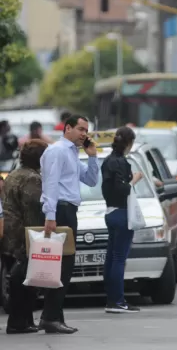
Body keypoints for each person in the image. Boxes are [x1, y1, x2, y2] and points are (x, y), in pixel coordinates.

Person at [39, 115, 99, 334]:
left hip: (69, 210)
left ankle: (54, 316)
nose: (84, 134)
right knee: (61, 266)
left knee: (64, 266)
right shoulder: (57, 151)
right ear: (68, 128)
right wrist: (50, 215)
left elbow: (91, 181)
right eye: (81, 129)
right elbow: (51, 184)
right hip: (60, 210)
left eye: (86, 130)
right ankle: (50, 317)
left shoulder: (73, 153)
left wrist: (92, 157)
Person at [1, 139, 48, 334]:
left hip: (10, 233)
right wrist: (39, 234)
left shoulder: (13, 175)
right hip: (25, 234)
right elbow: (33, 209)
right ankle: (19, 321)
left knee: (17, 277)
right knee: (25, 280)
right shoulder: (32, 178)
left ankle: (23, 320)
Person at [101, 126, 142, 313]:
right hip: (122, 213)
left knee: (110, 257)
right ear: (129, 143)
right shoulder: (122, 163)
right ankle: (118, 301)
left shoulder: (107, 161)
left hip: (110, 212)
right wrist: (134, 180)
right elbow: (122, 188)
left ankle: (111, 299)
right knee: (119, 258)